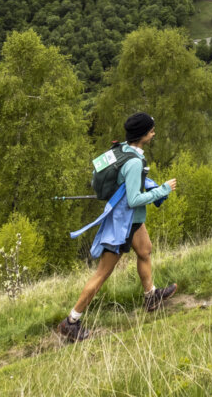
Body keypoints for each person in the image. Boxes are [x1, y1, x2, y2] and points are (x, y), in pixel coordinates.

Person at [57, 112, 178, 342]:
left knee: (144, 250)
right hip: (122, 223)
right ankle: (70, 322)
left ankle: (151, 296)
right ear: (142, 134)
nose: (154, 132)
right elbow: (133, 199)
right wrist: (162, 190)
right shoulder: (133, 163)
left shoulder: (123, 149)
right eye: (151, 129)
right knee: (102, 274)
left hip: (133, 220)